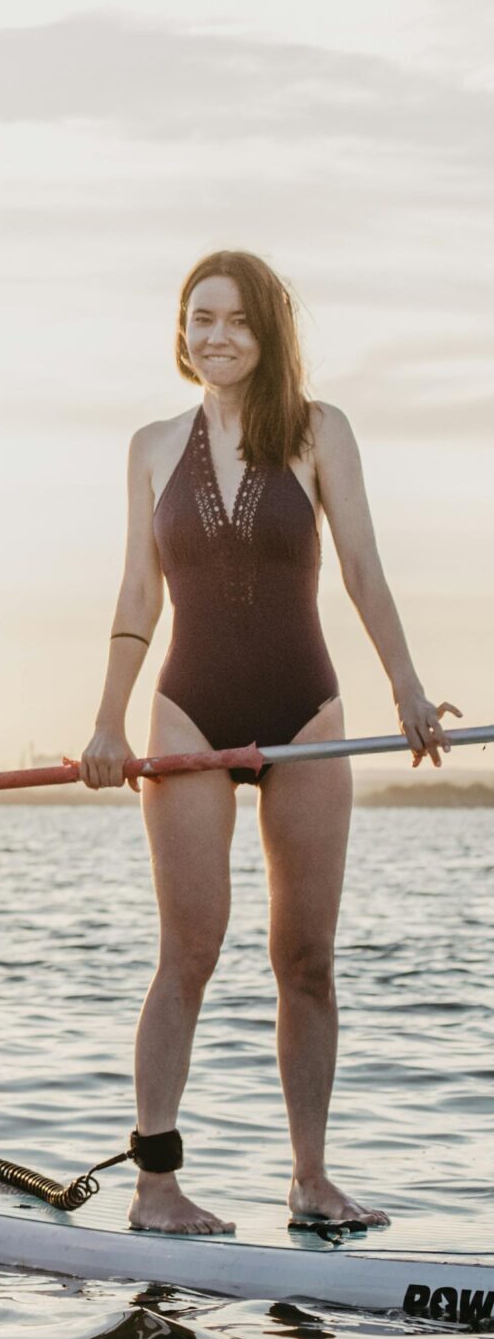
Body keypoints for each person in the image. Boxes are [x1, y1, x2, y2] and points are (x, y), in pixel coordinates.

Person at [79, 249, 454, 1235]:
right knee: (187, 953)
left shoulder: (318, 431)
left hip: (308, 715)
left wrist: (406, 688)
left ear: (267, 331)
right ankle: (154, 1185)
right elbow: (135, 595)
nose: (213, 336)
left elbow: (364, 569)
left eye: (235, 320)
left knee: (306, 960)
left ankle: (309, 1181)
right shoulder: (149, 445)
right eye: (197, 318)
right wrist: (105, 721)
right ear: (179, 329)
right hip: (187, 715)